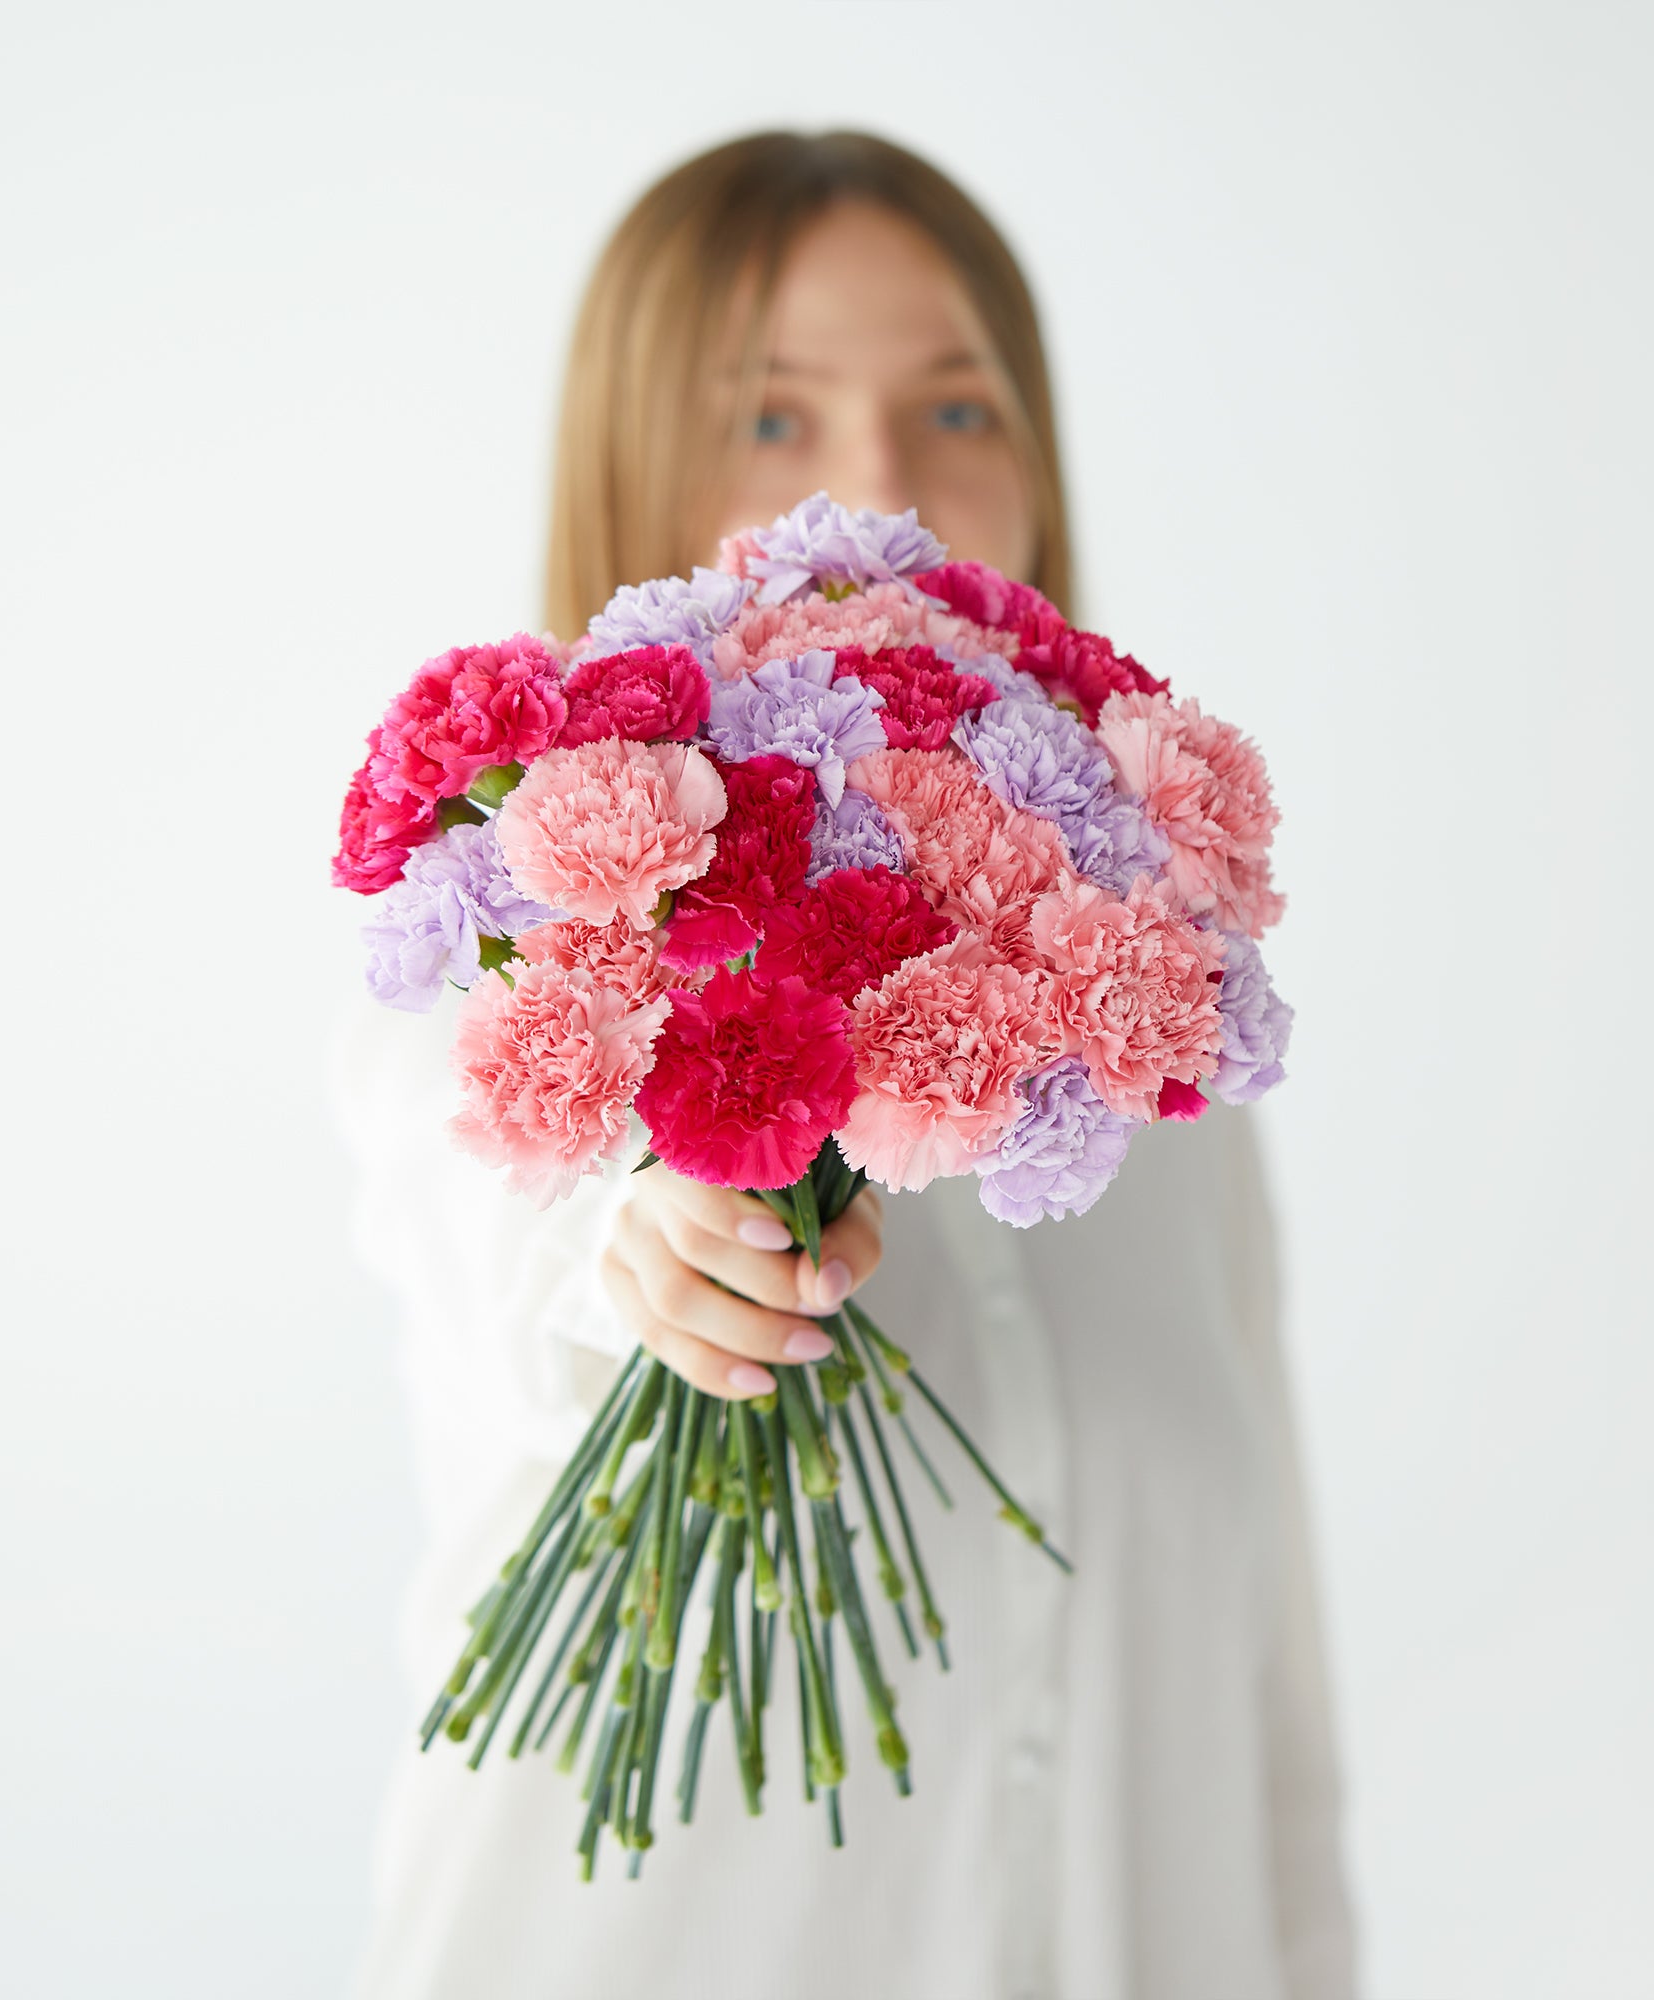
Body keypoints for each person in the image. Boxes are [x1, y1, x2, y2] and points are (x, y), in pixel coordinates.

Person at [331, 129, 1360, 2000]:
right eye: (778, 420)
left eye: (960, 405)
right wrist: (653, 1250)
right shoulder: (501, 1001)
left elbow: (1266, 1682)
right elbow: (529, 1286)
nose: (888, 483)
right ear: (634, 461)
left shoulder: (1164, 1085)